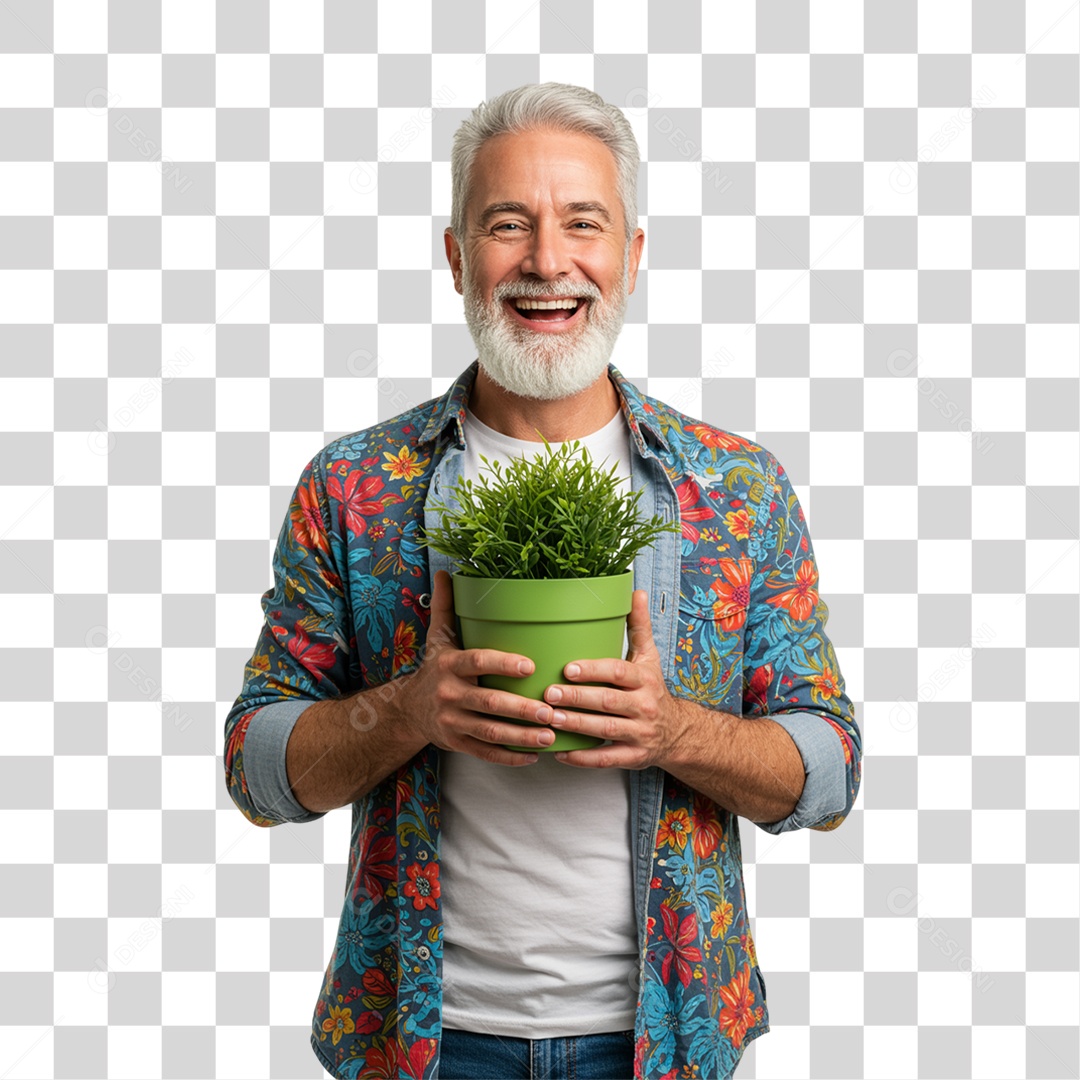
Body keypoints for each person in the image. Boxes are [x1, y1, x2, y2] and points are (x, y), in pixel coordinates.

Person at [223, 82, 862, 1080]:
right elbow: (256, 768)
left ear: (634, 257)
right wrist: (406, 711)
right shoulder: (355, 489)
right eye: (507, 224)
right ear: (457, 258)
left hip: (666, 1040)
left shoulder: (734, 490)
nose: (548, 261)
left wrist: (672, 730)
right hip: (425, 1044)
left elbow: (828, 773)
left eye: (583, 224)